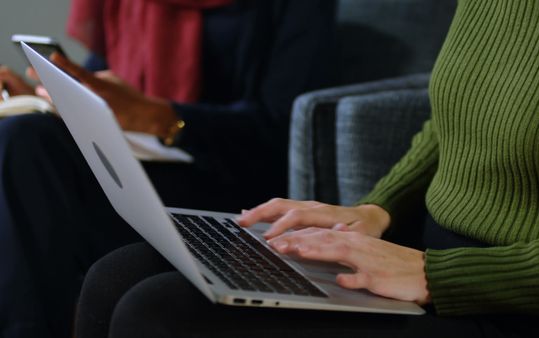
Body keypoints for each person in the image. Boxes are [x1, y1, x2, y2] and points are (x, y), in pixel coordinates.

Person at [74, 0, 539, 337]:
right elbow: (451, 118)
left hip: (523, 300)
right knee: (117, 275)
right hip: (430, 257)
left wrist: (435, 277)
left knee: (159, 315)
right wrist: (375, 209)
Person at [0, 1, 336, 338]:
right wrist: (43, 100)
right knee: (25, 135)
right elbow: (101, 89)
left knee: (26, 144)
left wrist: (162, 117)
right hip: (133, 163)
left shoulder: (297, 8)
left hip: (226, 185)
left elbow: (283, 130)